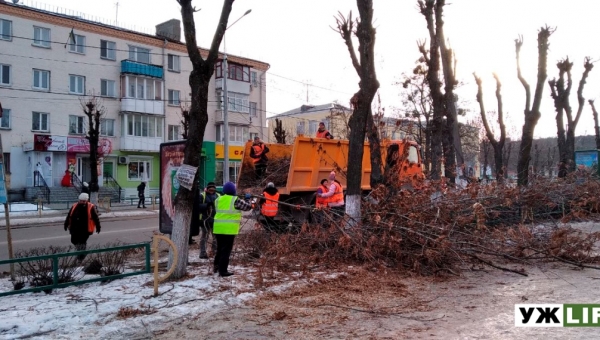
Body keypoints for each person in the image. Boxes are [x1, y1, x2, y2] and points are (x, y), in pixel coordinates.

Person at [213, 181, 252, 277]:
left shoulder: (218, 199)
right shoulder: (235, 200)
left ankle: (216, 267)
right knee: (226, 250)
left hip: (218, 228)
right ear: (233, 190)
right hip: (229, 229)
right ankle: (223, 271)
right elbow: (247, 207)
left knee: (219, 248)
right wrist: (248, 199)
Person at [64, 193, 101, 261]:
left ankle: (81, 256)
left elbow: (96, 218)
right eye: (81, 200)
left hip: (85, 229)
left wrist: (98, 227)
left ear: (87, 200)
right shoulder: (75, 205)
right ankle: (80, 251)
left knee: (82, 242)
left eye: (84, 201)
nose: (82, 202)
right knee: (73, 240)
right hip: (74, 228)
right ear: (79, 200)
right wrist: (66, 224)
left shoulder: (90, 207)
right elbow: (69, 215)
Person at [198, 182, 220, 258]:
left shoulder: (218, 196)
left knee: (215, 237)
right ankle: (203, 253)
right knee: (204, 236)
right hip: (205, 220)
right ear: (207, 189)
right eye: (210, 189)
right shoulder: (202, 195)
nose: (211, 191)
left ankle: (213, 252)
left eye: (213, 189)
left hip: (215, 220)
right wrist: (207, 205)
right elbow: (197, 206)